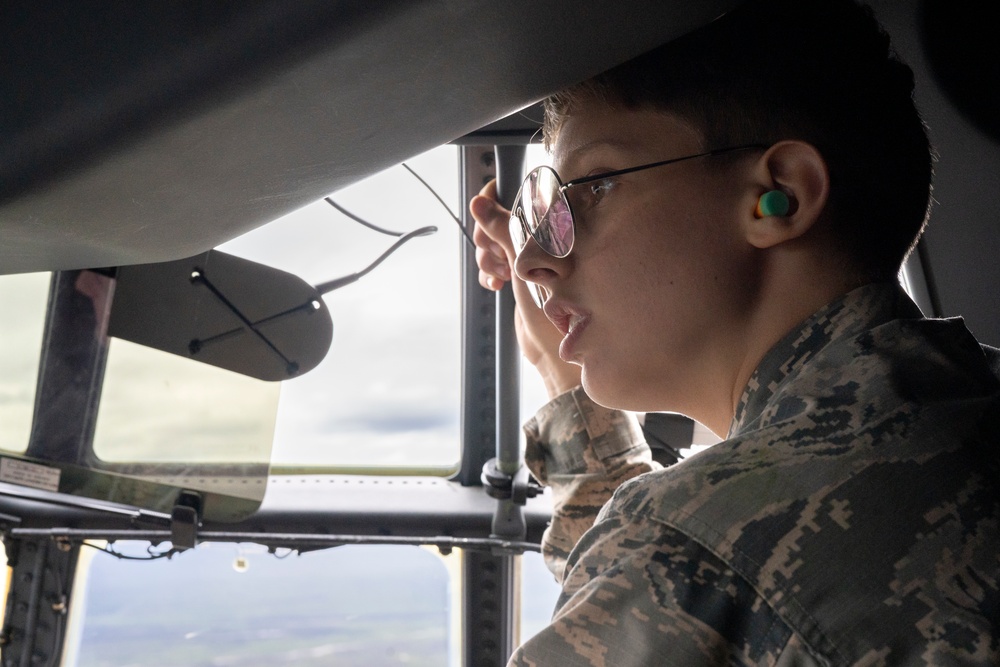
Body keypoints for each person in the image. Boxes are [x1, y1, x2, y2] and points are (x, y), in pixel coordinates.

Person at [470, 0, 1000, 664]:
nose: (532, 260)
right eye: (543, 215)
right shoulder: (961, 418)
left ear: (779, 195)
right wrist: (563, 376)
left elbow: (704, 571)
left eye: (590, 188)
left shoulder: (686, 549)